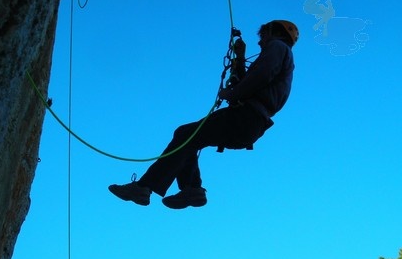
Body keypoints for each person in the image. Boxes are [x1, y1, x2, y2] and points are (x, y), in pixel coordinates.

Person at [108, 19, 298, 209]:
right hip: (251, 123)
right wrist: (240, 58)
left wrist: (232, 94)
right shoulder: (281, 55)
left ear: (275, 32)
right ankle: (190, 189)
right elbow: (251, 80)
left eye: (263, 35)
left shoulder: (277, 47)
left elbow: (261, 76)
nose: (260, 41)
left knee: (186, 135)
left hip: (247, 116)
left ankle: (147, 187)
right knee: (189, 135)